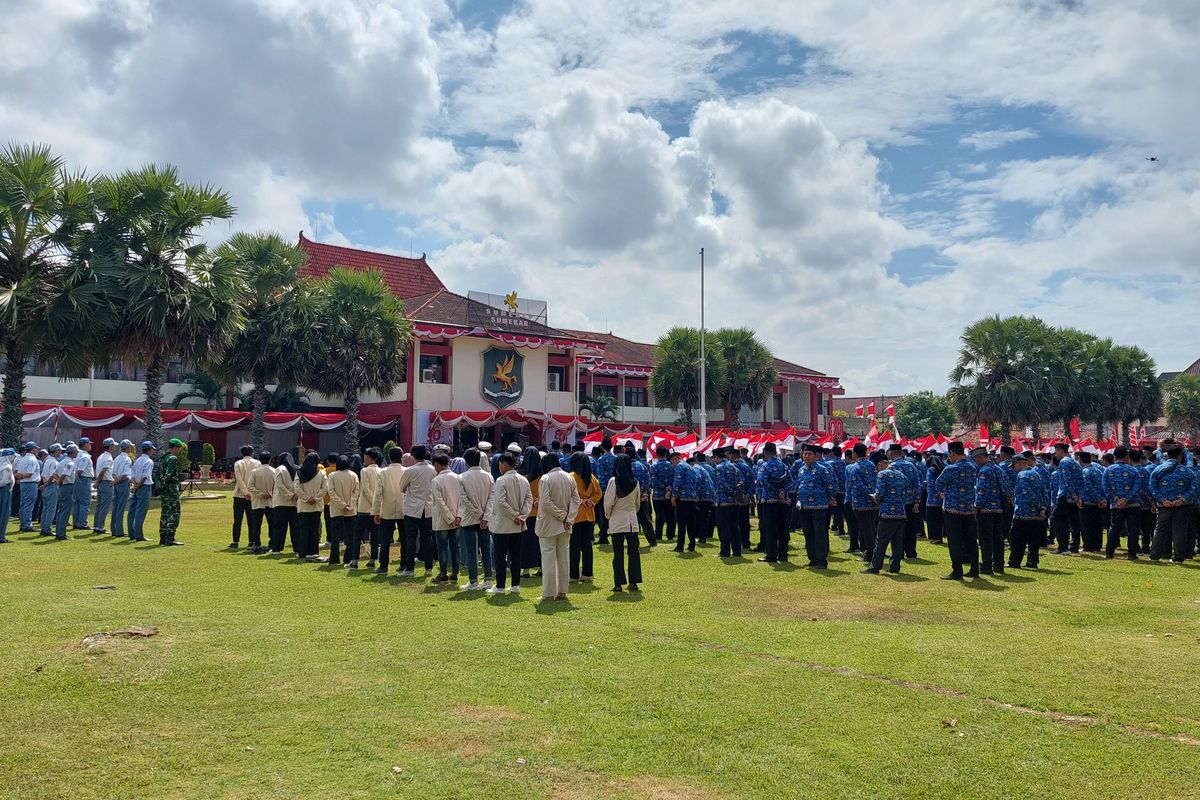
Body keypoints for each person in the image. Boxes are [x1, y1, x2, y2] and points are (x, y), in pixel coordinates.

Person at [535, 451, 579, 601]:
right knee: (563, 557)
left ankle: (548, 593)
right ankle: (562, 590)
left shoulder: (545, 478)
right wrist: (569, 518)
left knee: (548, 558)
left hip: (549, 523)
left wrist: (563, 516)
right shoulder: (569, 477)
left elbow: (546, 502)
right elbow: (576, 500)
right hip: (566, 524)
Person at [487, 452, 532, 594]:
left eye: (499, 464)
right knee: (516, 556)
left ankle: (500, 585)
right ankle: (515, 585)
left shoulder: (501, 480)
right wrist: (522, 516)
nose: (499, 467)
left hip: (503, 524)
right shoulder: (523, 480)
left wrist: (515, 515)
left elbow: (500, 502)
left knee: (500, 557)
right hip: (518, 525)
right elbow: (529, 500)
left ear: (504, 464)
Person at [935, 442, 979, 580]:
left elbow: (938, 483)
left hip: (953, 510)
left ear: (952, 453)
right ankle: (974, 569)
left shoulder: (951, 469)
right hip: (969, 509)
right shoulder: (973, 467)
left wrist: (944, 492)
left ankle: (957, 571)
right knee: (971, 541)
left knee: (955, 542)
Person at [1148, 442, 1195, 564]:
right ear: (1180, 456)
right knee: (1180, 531)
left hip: (1164, 505)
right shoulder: (1188, 471)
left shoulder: (1158, 469)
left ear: (1167, 455)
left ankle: (1155, 555)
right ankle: (1178, 558)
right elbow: (1194, 488)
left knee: (1160, 530)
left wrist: (1162, 499)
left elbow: (1152, 487)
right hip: (1183, 505)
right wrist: (1182, 500)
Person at [789, 444, 835, 568]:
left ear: (815, 456)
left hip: (819, 506)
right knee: (808, 532)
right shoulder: (801, 470)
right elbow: (798, 484)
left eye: (810, 454)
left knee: (819, 533)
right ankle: (812, 558)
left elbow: (830, 485)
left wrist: (830, 498)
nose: (807, 456)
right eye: (805, 454)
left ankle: (821, 560)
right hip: (804, 506)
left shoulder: (822, 469)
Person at [863, 450, 909, 574]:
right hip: (901, 513)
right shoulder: (902, 476)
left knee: (881, 542)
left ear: (880, 465)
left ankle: (875, 567)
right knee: (897, 543)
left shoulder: (882, 474)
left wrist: (873, 497)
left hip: (887, 513)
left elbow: (879, 494)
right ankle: (895, 567)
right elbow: (906, 494)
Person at [605, 453, 643, 592]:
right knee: (634, 553)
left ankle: (618, 584)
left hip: (617, 520)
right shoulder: (635, 482)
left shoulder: (613, 481)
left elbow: (608, 502)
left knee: (618, 553)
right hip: (632, 521)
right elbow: (637, 504)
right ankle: (634, 582)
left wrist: (608, 516)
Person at [458, 447, 495, 590]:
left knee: (471, 551)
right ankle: (487, 579)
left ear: (466, 461)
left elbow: (465, 500)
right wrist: (485, 515)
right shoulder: (489, 476)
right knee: (486, 549)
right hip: (485, 518)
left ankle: (473, 581)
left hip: (469, 518)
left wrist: (478, 513)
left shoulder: (462, 477)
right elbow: (492, 498)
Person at [397, 445, 436, 576]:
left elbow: (401, 487)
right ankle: (428, 568)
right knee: (427, 539)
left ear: (413, 456)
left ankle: (409, 568)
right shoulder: (432, 469)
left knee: (411, 539)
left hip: (412, 508)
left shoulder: (411, 470)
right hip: (428, 508)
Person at [973, 445, 1012, 574]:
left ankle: (986, 565)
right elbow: (1007, 488)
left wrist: (977, 507)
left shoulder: (984, 471)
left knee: (985, 539)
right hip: (999, 509)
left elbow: (981, 491)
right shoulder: (998, 468)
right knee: (998, 538)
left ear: (980, 457)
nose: (975, 462)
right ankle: (998, 565)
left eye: (975, 459)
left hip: (986, 510)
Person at [1008, 453, 1048, 569]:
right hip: (1037, 514)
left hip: (1023, 513)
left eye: (1014, 466)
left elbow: (1025, 494)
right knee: (1033, 540)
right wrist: (1042, 507)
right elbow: (1044, 493)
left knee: (1017, 539)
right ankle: (1032, 562)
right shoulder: (1037, 474)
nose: (1014, 469)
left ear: (1019, 463)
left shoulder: (1022, 475)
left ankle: (1014, 562)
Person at [1102, 446, 1141, 560]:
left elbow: (1105, 487)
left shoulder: (1108, 470)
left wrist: (1116, 499)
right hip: (1133, 504)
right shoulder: (1134, 470)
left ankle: (1109, 552)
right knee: (1132, 529)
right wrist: (1126, 499)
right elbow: (1136, 487)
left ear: (1114, 456)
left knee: (1114, 528)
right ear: (1127, 456)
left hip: (1116, 505)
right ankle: (1132, 553)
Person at [372, 446, 406, 574]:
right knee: (404, 539)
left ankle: (383, 566)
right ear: (401, 457)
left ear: (389, 457)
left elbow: (378, 494)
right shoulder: (407, 471)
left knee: (385, 540)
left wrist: (376, 512)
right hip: (404, 509)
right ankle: (404, 564)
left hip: (387, 509)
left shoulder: (383, 472)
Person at [754, 442, 790, 563]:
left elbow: (762, 482)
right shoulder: (784, 466)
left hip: (769, 501)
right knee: (783, 528)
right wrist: (782, 492)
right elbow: (790, 481)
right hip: (782, 501)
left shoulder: (764, 466)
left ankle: (771, 555)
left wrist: (775, 491)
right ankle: (783, 555)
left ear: (764, 452)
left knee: (770, 529)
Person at [431, 452, 463, 583]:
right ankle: (454, 573)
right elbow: (462, 499)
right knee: (455, 547)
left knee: (442, 548)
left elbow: (439, 502)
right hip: (456, 518)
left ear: (437, 465)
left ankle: (443, 574)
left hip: (442, 519)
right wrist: (458, 516)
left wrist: (450, 518)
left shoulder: (436, 480)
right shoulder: (458, 478)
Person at [887, 443, 924, 558]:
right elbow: (917, 484)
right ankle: (911, 552)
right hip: (910, 501)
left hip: (896, 503)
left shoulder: (891, 466)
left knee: (897, 529)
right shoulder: (911, 465)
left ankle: (899, 552)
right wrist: (917, 501)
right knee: (911, 528)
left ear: (891, 453)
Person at [568, 451, 600, 581]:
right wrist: (591, 501)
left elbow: (567, 494)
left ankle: (573, 574)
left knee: (574, 545)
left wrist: (581, 501)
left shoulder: (571, 477)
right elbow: (598, 493)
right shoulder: (591, 477)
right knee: (587, 545)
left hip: (575, 515)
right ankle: (587, 573)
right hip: (589, 515)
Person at [323, 454, 358, 565]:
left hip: (336, 509)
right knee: (350, 535)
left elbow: (331, 492)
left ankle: (334, 559)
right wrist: (349, 504)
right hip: (350, 509)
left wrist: (342, 504)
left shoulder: (332, 476)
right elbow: (356, 492)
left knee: (335, 536)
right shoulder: (353, 475)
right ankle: (348, 558)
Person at [1050, 442, 1084, 554]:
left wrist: (1073, 495)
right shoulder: (1075, 462)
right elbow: (1080, 480)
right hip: (1074, 496)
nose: (1055, 454)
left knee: (1056, 518)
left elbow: (1067, 480)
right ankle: (1074, 546)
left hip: (1065, 495)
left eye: (1056, 451)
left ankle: (1063, 546)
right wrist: (1078, 496)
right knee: (1073, 521)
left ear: (1060, 451)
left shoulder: (1064, 462)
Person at [845, 443, 877, 559]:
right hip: (874, 501)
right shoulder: (871, 464)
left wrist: (868, 495)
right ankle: (875, 552)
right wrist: (873, 495)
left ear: (854, 453)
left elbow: (857, 485)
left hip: (860, 502)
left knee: (866, 528)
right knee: (872, 527)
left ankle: (870, 554)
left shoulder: (854, 467)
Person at [294, 453, 326, 560]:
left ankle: (303, 551)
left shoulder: (299, 473)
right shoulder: (321, 473)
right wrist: (316, 498)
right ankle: (313, 551)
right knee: (314, 529)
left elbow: (297, 488)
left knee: (303, 530)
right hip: (316, 506)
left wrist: (306, 498)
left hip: (303, 506)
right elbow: (325, 488)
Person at [518, 445, 544, 577]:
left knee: (525, 542)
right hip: (539, 513)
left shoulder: (521, 476)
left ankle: (525, 570)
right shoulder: (542, 475)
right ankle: (540, 567)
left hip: (525, 514)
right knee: (539, 541)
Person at [712, 448, 742, 558]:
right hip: (734, 503)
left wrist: (731, 492)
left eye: (714, 458)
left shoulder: (719, 468)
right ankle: (737, 551)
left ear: (716, 457)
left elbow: (721, 484)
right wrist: (736, 493)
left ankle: (725, 552)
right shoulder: (734, 467)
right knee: (734, 527)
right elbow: (740, 482)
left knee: (723, 528)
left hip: (723, 502)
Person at [355, 448, 382, 568]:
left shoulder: (364, 471)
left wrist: (373, 503)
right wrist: (377, 505)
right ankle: (372, 560)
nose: (364, 459)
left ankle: (354, 560)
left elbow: (366, 490)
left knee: (358, 534)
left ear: (370, 458)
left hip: (365, 508)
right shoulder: (381, 471)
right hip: (378, 509)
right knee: (375, 536)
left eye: (365, 457)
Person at [157, 438, 186, 546]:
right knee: (174, 513)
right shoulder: (173, 458)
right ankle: (170, 537)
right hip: (171, 489)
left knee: (165, 513)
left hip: (164, 490)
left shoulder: (163, 458)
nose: (179, 451)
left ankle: (163, 537)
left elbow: (158, 474)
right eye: (179, 448)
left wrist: (160, 487)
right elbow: (168, 475)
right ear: (175, 447)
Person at [230, 445, 260, 548]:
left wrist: (245, 492)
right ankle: (252, 541)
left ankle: (235, 541)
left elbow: (239, 479)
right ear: (252, 453)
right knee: (252, 520)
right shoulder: (258, 463)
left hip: (239, 495)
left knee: (237, 520)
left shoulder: (238, 463)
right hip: (253, 495)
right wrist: (249, 493)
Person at [671, 452, 701, 553]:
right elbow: (697, 480)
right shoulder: (689, 467)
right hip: (692, 498)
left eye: (671, 462)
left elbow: (677, 482)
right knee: (690, 524)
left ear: (675, 459)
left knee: (681, 524)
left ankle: (680, 546)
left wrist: (674, 496)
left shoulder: (679, 466)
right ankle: (692, 545)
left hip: (683, 499)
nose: (672, 465)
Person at [248, 451, 276, 555]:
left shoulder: (254, 472)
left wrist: (260, 494)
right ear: (270, 459)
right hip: (270, 501)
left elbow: (250, 486)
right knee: (272, 524)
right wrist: (270, 493)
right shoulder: (274, 471)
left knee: (256, 525)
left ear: (259, 459)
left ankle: (257, 544)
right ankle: (272, 543)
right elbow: (277, 486)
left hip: (258, 502)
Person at [1078, 451, 1106, 552]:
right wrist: (1102, 499)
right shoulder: (1098, 470)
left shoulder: (1084, 472)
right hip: (1099, 503)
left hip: (1088, 502)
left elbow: (1088, 487)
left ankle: (1088, 546)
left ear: (1080, 460)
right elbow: (1103, 486)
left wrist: (1098, 499)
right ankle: (1097, 545)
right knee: (1097, 525)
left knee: (1086, 525)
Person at [127, 441, 156, 542]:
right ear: (149, 450)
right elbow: (145, 477)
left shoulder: (138, 460)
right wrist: (137, 486)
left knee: (132, 510)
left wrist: (134, 485)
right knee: (141, 511)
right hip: (144, 487)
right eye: (152, 449)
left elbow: (132, 474)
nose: (153, 451)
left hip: (136, 485)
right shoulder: (149, 461)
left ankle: (131, 533)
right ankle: (139, 535)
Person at [270, 452, 298, 554]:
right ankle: (297, 548)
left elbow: (280, 485)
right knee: (295, 527)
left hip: (281, 502)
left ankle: (277, 548)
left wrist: (289, 495)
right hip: (294, 503)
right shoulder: (297, 469)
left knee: (279, 527)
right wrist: (294, 495)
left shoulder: (279, 469)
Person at [650, 445, 676, 543]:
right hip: (670, 494)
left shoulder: (654, 466)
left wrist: (663, 487)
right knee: (670, 516)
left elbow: (654, 480)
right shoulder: (671, 465)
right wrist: (669, 488)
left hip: (658, 495)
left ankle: (658, 535)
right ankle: (670, 535)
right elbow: (675, 479)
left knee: (659, 516)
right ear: (666, 453)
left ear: (656, 454)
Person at [92, 438, 117, 535]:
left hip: (101, 482)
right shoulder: (108, 458)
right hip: (106, 482)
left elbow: (99, 470)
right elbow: (103, 471)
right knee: (104, 506)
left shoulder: (101, 456)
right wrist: (97, 482)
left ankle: (96, 525)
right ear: (110, 446)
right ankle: (100, 527)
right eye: (113, 445)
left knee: (99, 505)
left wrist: (97, 481)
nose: (114, 447)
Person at [14, 442, 41, 533]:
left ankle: (23, 524)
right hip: (31, 483)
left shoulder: (23, 458)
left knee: (23, 504)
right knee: (29, 505)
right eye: (35, 448)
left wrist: (19, 476)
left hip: (23, 483)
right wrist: (21, 475)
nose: (36, 450)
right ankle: (26, 525)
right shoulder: (32, 459)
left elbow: (19, 472)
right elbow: (30, 473)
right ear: (32, 449)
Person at [593, 438, 616, 544]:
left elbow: (600, 476)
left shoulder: (601, 459)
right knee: (614, 512)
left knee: (603, 514)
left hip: (604, 489)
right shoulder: (616, 459)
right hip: (615, 488)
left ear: (602, 447)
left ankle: (603, 536)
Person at [56, 443, 78, 540]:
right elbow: (65, 474)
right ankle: (61, 534)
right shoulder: (70, 463)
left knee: (60, 510)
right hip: (68, 486)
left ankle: (59, 532)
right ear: (73, 452)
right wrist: (60, 481)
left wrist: (59, 481)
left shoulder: (62, 461)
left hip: (63, 487)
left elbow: (55, 473)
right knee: (65, 511)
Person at [111, 440, 133, 538]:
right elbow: (125, 474)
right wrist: (118, 481)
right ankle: (119, 531)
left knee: (115, 507)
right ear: (128, 448)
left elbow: (113, 473)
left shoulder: (116, 458)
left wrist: (115, 481)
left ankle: (114, 529)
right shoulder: (127, 459)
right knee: (121, 507)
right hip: (123, 483)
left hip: (116, 482)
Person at [40, 443, 62, 536]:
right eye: (59, 450)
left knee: (45, 509)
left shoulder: (46, 461)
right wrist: (58, 481)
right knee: (51, 509)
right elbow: (53, 475)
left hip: (46, 486)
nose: (61, 452)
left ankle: (43, 528)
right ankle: (47, 529)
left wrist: (44, 485)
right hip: (51, 486)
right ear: (56, 451)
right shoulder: (53, 462)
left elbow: (43, 475)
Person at [73, 436, 94, 530]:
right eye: (89, 443)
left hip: (79, 480)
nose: (90, 445)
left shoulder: (77, 455)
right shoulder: (85, 456)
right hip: (84, 479)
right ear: (85, 445)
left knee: (77, 502)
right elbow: (80, 470)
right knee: (85, 502)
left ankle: (76, 522)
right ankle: (82, 523)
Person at [824, 446, 847, 535]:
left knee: (834, 511)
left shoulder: (829, 463)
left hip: (834, 490)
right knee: (842, 510)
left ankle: (840, 529)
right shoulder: (844, 463)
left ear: (832, 453)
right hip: (844, 489)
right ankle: (842, 528)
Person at [924, 454, 945, 545]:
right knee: (940, 519)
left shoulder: (931, 470)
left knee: (932, 519)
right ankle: (940, 536)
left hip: (932, 499)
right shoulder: (943, 468)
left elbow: (930, 483)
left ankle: (935, 537)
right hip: (942, 498)